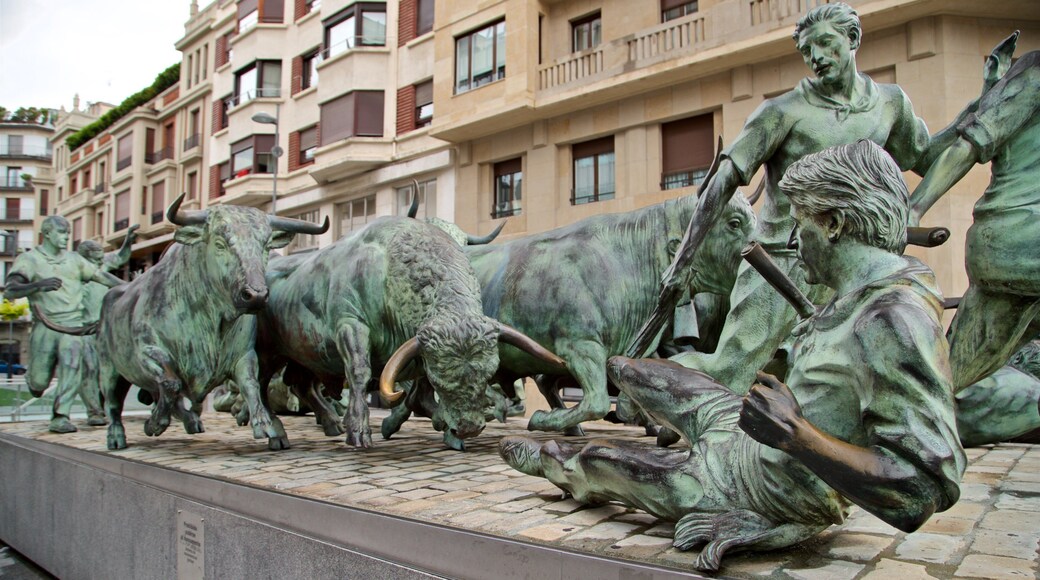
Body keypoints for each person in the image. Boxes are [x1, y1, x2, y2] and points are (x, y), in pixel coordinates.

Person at [501, 141, 965, 572]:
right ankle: (629, 398)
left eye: (799, 224)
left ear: (835, 225)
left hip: (763, 485)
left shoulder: (893, 320)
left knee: (601, 460)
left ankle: (550, 459)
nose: (792, 243)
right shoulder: (855, 296)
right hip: (742, 432)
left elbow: (921, 490)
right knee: (632, 369)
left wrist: (795, 435)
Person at [632, 2, 941, 393]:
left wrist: (983, 115)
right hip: (777, 263)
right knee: (731, 369)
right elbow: (722, 182)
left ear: (853, 38)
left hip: (847, 266)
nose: (816, 57)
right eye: (808, 51)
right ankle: (647, 388)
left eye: (826, 44)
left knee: (831, 373)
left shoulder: (890, 104)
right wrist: (683, 261)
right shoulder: (782, 112)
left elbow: (929, 157)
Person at [910, 43, 1040, 391]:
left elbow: (966, 147)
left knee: (946, 379)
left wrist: (913, 208)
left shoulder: (1033, 74)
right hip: (1019, 248)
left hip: (1016, 245)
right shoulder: (1031, 76)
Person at [4, 216, 124, 433]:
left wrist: (132, 287)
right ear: (47, 234)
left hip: (73, 327)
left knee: (72, 368)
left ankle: (60, 416)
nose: (66, 237)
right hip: (46, 327)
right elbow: (11, 289)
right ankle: (34, 382)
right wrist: (38, 285)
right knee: (40, 382)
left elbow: (101, 276)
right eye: (61, 233)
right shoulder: (30, 259)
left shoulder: (74, 260)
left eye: (68, 233)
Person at [74, 225, 137, 421]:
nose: (102, 258)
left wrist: (128, 240)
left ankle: (104, 405)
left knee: (112, 369)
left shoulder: (103, 266)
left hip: (106, 327)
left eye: (102, 254)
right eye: (97, 255)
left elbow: (120, 256)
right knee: (90, 368)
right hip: (85, 329)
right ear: (86, 256)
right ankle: (94, 411)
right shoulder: (76, 271)